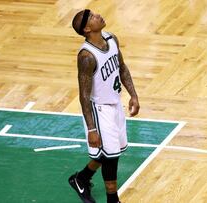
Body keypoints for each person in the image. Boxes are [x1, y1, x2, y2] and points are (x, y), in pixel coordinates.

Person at [69, 9, 140, 203]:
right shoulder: (86, 56)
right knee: (111, 156)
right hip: (98, 109)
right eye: (92, 17)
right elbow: (84, 96)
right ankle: (113, 199)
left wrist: (133, 95)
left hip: (115, 103)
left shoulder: (111, 39)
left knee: (110, 150)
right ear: (87, 28)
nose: (98, 15)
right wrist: (92, 128)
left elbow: (122, 67)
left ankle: (81, 178)